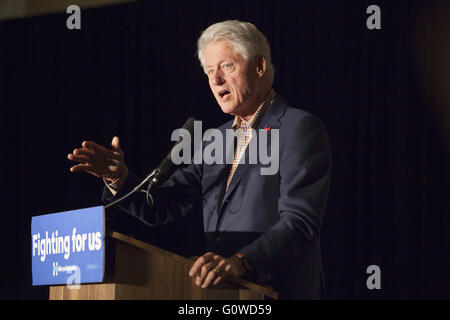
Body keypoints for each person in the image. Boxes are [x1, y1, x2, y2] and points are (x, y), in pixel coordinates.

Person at [68, 20, 331, 299]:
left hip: (277, 292)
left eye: (226, 66)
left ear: (259, 66)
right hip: (224, 295)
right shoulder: (215, 140)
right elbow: (161, 205)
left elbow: (299, 223)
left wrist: (240, 262)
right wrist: (117, 176)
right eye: (209, 72)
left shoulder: (298, 128)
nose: (216, 80)